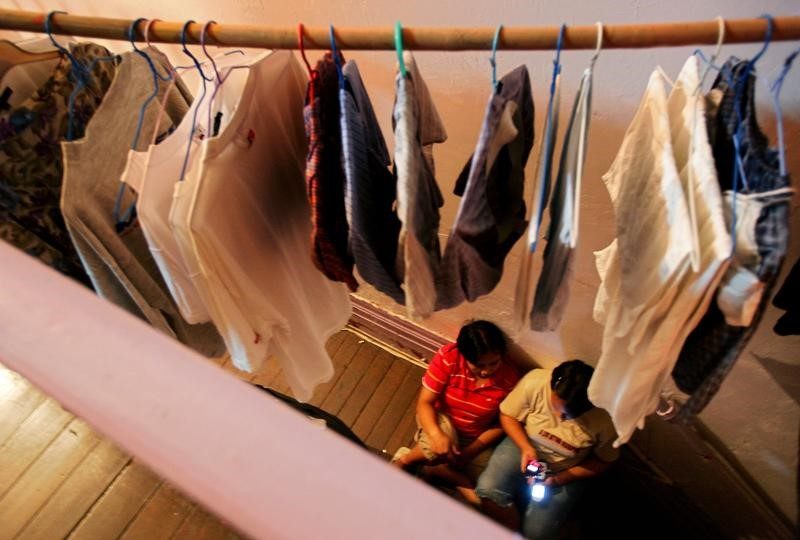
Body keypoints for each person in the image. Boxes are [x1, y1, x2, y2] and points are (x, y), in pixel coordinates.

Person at [475, 359, 618, 539]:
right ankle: (510, 526)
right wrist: (526, 448)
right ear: (552, 387)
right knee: (487, 489)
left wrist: (559, 479)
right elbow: (508, 416)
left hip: (567, 467)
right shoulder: (535, 382)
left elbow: (603, 461)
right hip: (525, 445)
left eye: (568, 414)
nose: (560, 417)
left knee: (537, 533)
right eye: (556, 407)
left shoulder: (606, 420)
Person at [392, 320, 520, 505]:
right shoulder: (449, 357)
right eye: (478, 365)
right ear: (464, 355)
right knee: (436, 446)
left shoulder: (510, 376)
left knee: (488, 489)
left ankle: (439, 469)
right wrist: (437, 434)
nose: (486, 371)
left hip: (473, 435)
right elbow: (424, 403)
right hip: (442, 419)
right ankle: (406, 459)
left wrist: (469, 451)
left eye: (493, 363)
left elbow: (501, 424)